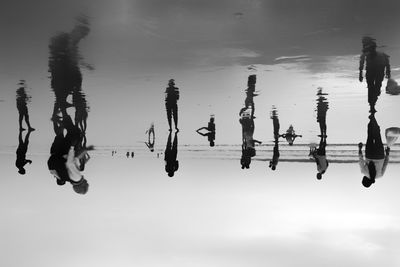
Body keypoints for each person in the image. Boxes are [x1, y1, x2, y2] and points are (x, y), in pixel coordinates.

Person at [359, 36, 391, 112]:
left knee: (376, 90)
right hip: (370, 72)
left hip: (379, 72)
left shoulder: (381, 54)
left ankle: (373, 103)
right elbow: (362, 62)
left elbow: (387, 63)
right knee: (371, 88)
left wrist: (388, 72)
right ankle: (372, 106)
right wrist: (360, 74)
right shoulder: (366, 54)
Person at [359, 113, 390, 188]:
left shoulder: (380, 175)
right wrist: (360, 149)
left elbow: (385, 164)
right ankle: (372, 119)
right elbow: (361, 161)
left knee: (377, 136)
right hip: (369, 154)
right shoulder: (363, 172)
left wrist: (387, 153)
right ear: (364, 179)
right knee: (370, 135)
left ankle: (373, 119)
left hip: (380, 155)